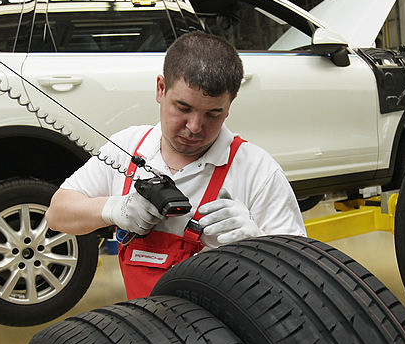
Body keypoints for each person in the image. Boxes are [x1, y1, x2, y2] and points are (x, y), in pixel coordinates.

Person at [46, 31, 305, 299]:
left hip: (223, 334)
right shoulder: (127, 147)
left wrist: (256, 245)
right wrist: (114, 209)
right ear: (161, 89)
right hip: (147, 327)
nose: (194, 127)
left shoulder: (258, 171)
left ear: (229, 107)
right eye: (182, 108)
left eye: (212, 114)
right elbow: (57, 214)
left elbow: (300, 281)